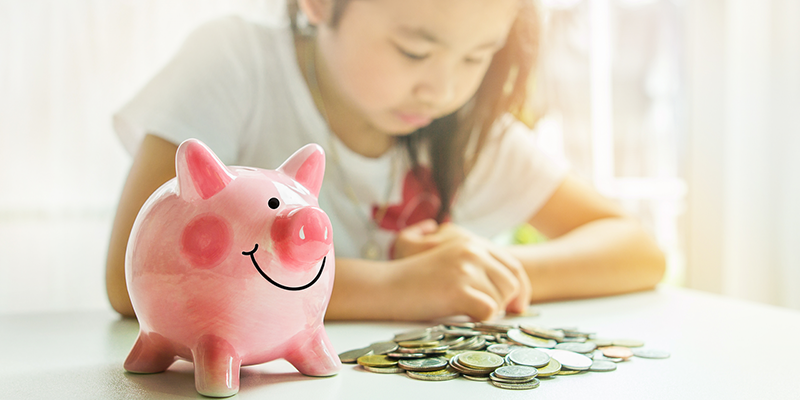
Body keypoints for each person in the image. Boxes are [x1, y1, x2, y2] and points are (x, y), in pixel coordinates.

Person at [106, 0, 665, 322]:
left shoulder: (464, 130)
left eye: (476, 57)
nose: (443, 88)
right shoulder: (236, 62)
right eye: (413, 51)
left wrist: (473, 273)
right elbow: (132, 278)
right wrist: (396, 286)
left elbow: (637, 248)